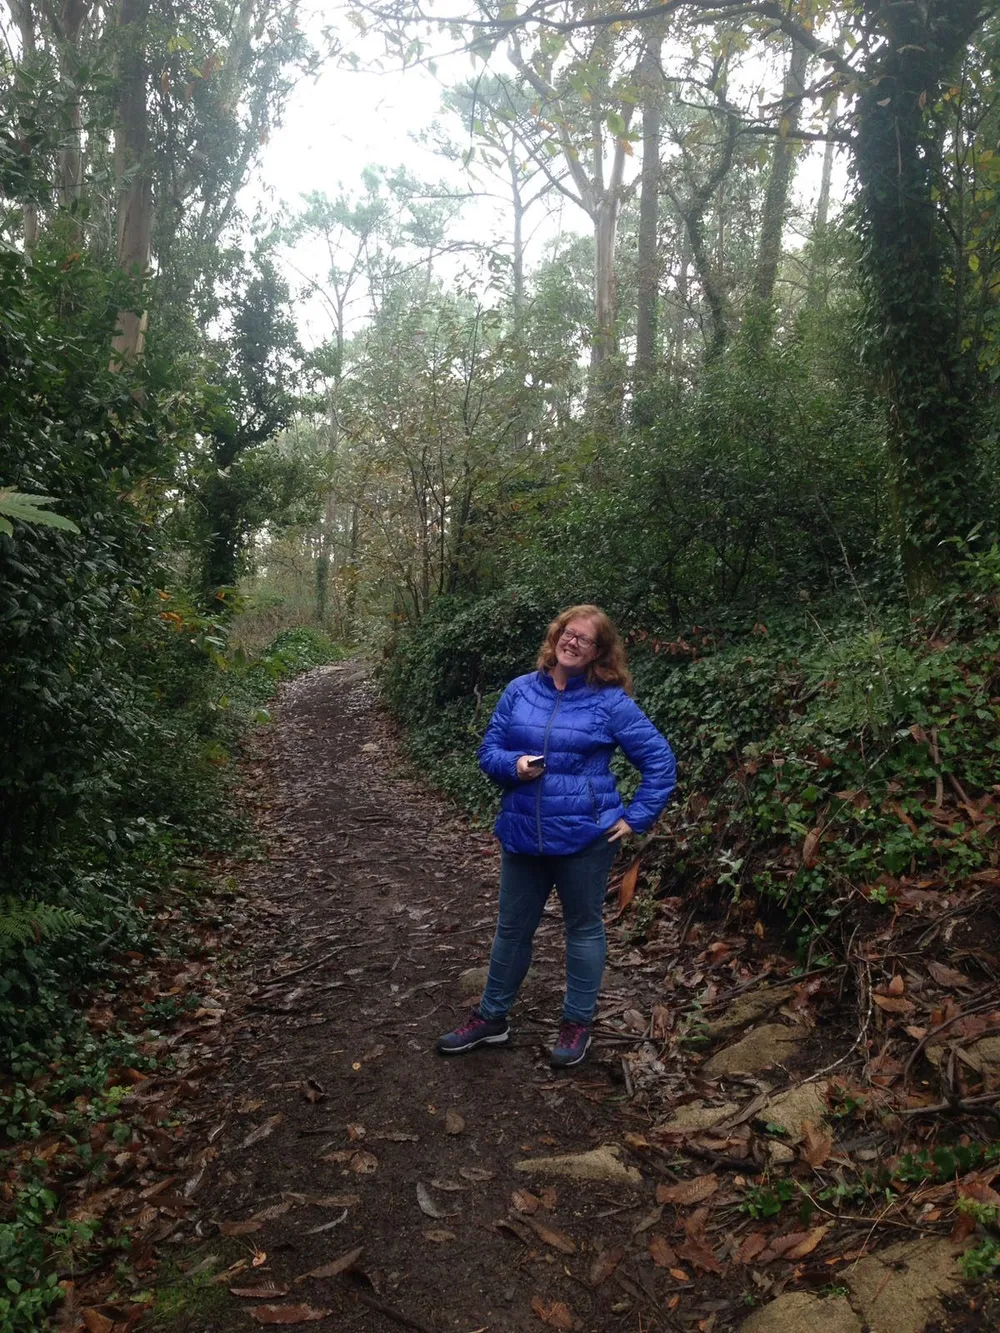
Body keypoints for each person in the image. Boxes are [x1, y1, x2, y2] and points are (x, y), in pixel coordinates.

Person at [436, 604, 677, 1068]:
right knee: (511, 929)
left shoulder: (610, 702)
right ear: (556, 635)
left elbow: (660, 762)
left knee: (583, 930)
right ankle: (492, 1018)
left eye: (585, 639)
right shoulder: (520, 691)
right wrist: (514, 766)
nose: (573, 642)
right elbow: (490, 752)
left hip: (586, 837)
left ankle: (577, 1022)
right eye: (568, 633)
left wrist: (636, 817)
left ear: (598, 651)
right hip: (523, 832)